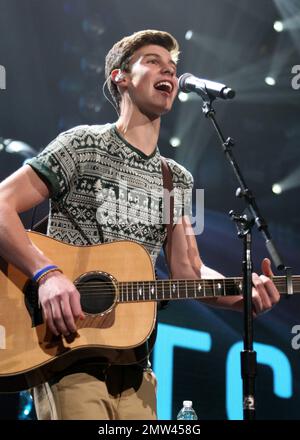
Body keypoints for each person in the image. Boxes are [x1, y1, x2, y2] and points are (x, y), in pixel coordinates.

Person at [0, 30, 280, 420]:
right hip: (68, 357)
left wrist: (244, 298)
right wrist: (47, 274)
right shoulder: (82, 143)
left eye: (173, 67)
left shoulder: (176, 178)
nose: (168, 70)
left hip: (138, 370)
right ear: (121, 77)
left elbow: (190, 271)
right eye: (153, 61)